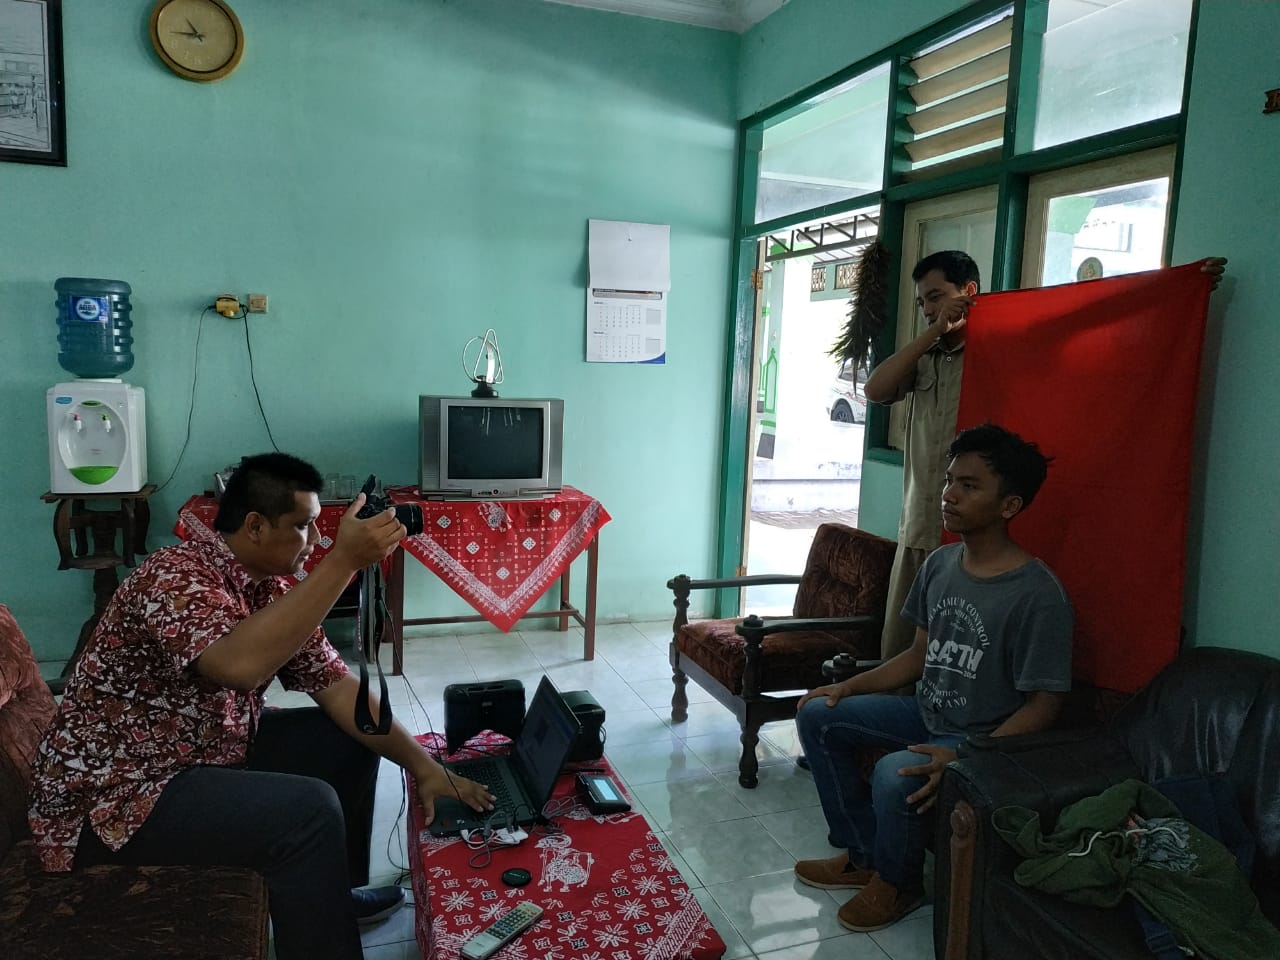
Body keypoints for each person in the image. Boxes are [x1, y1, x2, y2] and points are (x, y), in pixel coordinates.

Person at [28, 453, 495, 960]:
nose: (315, 541)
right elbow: (238, 665)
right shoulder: (174, 576)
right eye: (303, 526)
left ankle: (329, 897)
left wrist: (425, 769)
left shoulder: (269, 587)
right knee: (308, 811)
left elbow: (338, 687)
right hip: (117, 797)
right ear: (254, 526)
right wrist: (343, 562)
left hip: (200, 757)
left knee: (346, 738)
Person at [793, 423, 1073, 933]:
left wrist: (965, 756)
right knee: (818, 713)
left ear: (1009, 505)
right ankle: (863, 856)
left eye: (969, 485)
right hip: (926, 714)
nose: (949, 494)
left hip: (983, 738)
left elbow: (1045, 705)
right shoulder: (942, 564)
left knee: (894, 773)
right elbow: (918, 655)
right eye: (949, 481)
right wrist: (848, 687)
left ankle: (900, 884)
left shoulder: (1038, 594)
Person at [863, 249, 981, 664]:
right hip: (919, 529)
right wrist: (931, 333)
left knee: (958, 655)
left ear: (968, 291)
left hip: (971, 537)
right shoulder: (925, 356)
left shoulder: (992, 354)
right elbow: (875, 390)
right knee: (900, 653)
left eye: (936, 297)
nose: (929, 309)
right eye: (922, 303)